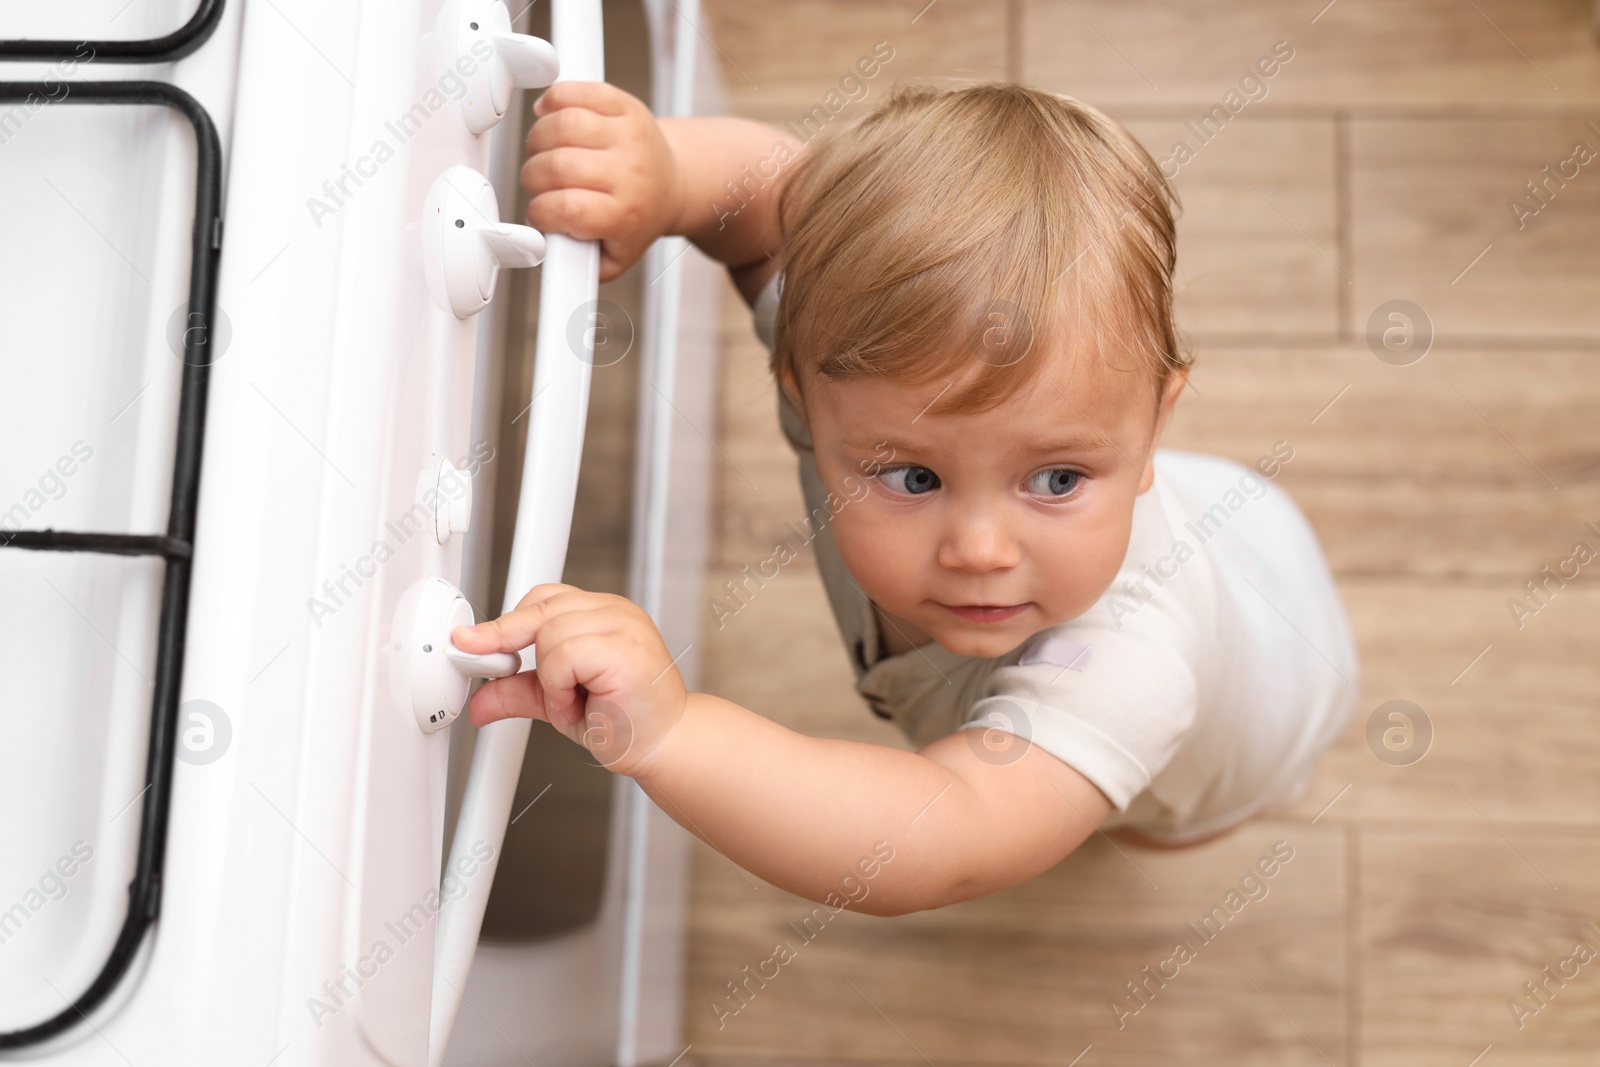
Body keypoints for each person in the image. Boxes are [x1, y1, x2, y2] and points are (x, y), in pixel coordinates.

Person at [451, 79, 1359, 916]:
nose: (980, 548)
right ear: (801, 395)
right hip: (1233, 529)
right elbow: (773, 206)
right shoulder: (852, 359)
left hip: (1263, 703)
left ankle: (1140, 812)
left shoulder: (1130, 668)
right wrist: (673, 175)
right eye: (914, 477)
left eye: (1056, 479)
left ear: (1154, 426)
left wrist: (672, 733)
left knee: (1155, 825)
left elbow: (956, 830)